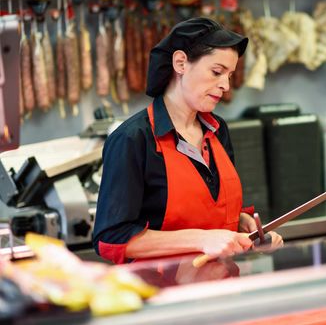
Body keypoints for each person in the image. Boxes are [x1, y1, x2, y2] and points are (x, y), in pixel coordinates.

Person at [93, 17, 283, 264]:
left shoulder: (217, 130)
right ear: (180, 63)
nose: (225, 85)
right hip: (164, 295)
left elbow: (213, 210)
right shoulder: (133, 139)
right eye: (217, 72)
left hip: (221, 288)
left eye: (230, 75)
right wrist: (201, 239)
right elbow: (112, 237)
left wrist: (244, 226)